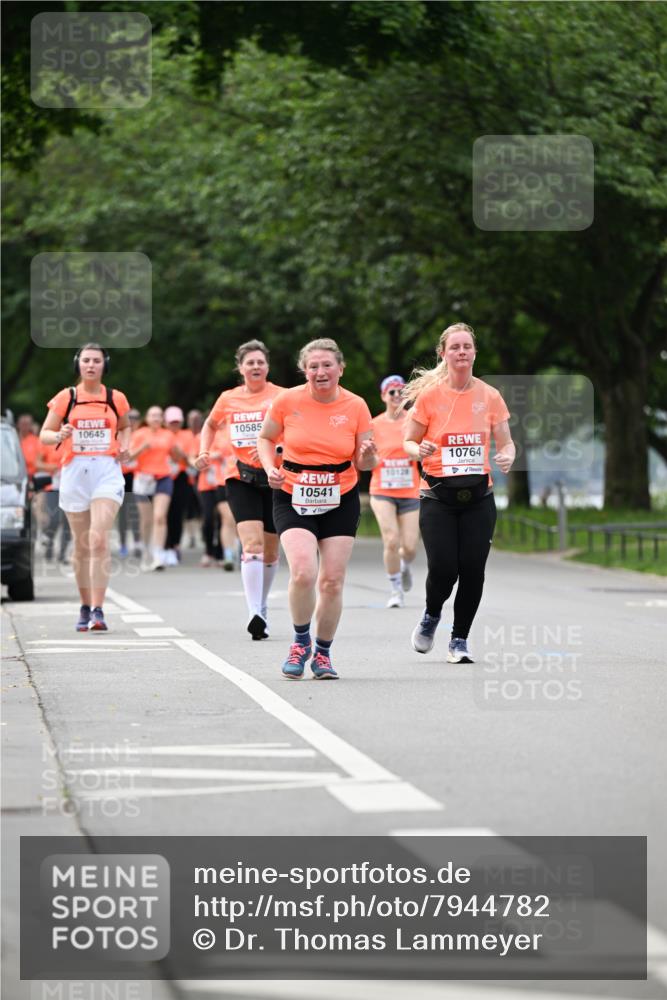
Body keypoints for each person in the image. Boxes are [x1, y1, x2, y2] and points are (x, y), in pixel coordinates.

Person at [258, 338, 378, 680]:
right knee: (303, 572)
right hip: (293, 492)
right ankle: (300, 642)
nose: (320, 372)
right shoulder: (286, 401)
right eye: (313, 366)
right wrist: (270, 468)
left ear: (341, 368)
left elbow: (365, 459)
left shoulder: (356, 406)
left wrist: (369, 456)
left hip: (340, 494)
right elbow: (265, 439)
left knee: (332, 581)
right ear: (304, 370)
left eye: (327, 365)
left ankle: (323, 653)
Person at [402, 323, 515, 663]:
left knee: (473, 569)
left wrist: (508, 455)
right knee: (444, 567)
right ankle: (431, 614)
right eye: (455, 347)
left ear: (474, 352)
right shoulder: (430, 397)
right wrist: (417, 449)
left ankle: (459, 639)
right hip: (438, 497)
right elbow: (407, 441)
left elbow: (507, 442)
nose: (462, 352)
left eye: (467, 346)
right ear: (443, 354)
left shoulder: (490, 396)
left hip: (479, 497)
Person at [39, 344, 131, 631]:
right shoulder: (67, 397)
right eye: (86, 360)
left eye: (97, 360)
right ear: (78, 364)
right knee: (81, 546)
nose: (91, 365)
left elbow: (126, 427)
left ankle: (98, 610)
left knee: (97, 539)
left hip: (106, 471)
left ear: (105, 364)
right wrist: (60, 432)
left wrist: (125, 445)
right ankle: (84, 604)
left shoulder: (116, 398)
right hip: (75, 472)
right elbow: (45, 435)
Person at [196, 341, 283, 639]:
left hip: (274, 477)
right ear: (240, 368)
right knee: (253, 545)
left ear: (267, 367)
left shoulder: (281, 396)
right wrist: (203, 451)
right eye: (250, 363)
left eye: (260, 362)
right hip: (239, 476)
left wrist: (278, 449)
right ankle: (254, 611)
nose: (255, 367)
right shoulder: (228, 398)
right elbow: (209, 424)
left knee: (271, 550)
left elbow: (298, 429)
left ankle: (263, 604)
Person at [369, 375, 420, 608]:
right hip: (382, 490)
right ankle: (395, 590)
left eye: (401, 392)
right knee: (391, 540)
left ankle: (404, 566)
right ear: (383, 396)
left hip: (410, 490)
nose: (397, 396)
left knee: (409, 547)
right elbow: (363, 455)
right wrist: (371, 456)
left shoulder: (414, 420)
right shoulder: (374, 424)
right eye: (392, 392)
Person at [128, 406, 179, 571]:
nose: (156, 418)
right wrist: (143, 447)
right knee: (146, 520)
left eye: (159, 415)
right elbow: (129, 457)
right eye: (153, 415)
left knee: (160, 517)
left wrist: (179, 457)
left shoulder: (168, 435)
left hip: (163, 477)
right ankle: (145, 552)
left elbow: (175, 455)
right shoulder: (139, 434)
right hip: (143, 479)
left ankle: (158, 554)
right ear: (147, 418)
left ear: (162, 419)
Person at [196, 425, 238, 569]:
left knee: (241, 519)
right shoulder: (214, 433)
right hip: (222, 480)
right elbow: (204, 454)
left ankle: (244, 552)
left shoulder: (240, 428)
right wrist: (215, 455)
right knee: (227, 518)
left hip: (244, 479)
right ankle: (227, 555)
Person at [164, 406, 196, 565]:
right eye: (171, 422)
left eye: (176, 422)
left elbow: (189, 457)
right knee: (163, 513)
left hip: (181, 477)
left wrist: (179, 453)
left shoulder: (187, 435)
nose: (174, 425)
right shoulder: (162, 435)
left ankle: (175, 545)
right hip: (163, 475)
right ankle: (165, 546)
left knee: (178, 513)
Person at [35, 439, 71, 563]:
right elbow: (37, 463)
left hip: (71, 487)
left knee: (69, 522)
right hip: (53, 486)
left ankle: (62, 553)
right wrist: (53, 467)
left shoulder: (72, 440)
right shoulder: (48, 441)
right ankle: (49, 544)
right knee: (54, 518)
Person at [117, 408, 142, 558]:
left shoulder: (142, 434)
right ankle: (123, 544)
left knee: (136, 511)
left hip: (137, 475)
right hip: (122, 476)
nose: (132, 420)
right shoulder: (119, 434)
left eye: (135, 418)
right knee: (123, 513)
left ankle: (138, 542)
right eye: (129, 418)